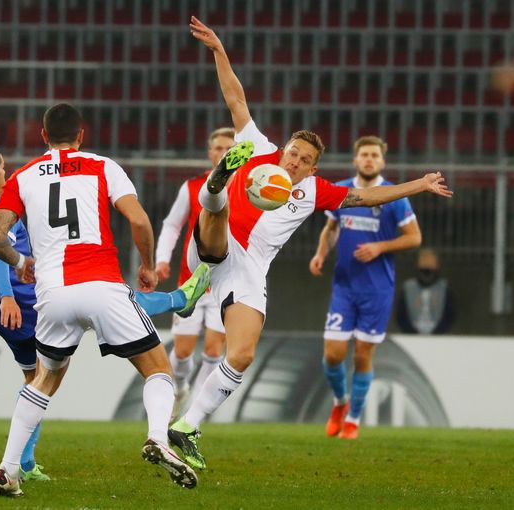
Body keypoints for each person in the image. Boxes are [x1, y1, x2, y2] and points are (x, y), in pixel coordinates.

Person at [166, 16, 453, 471]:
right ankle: (212, 207)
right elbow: (235, 96)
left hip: (249, 269)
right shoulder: (257, 146)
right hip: (215, 242)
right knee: (215, 207)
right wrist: (220, 51)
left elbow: (367, 195)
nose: (295, 162)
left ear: (313, 169)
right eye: (293, 154)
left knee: (240, 354)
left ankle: (187, 425)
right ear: (283, 151)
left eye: (304, 161)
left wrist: (416, 185)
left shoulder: (317, 192)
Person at [0, 143, 211, 483]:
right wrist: (9, 290)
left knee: (40, 382)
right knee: (151, 356)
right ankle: (158, 435)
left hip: (27, 309)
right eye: (1, 168)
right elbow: (137, 218)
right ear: (80, 135)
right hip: (46, 297)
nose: (5, 172)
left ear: (45, 135)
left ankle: (12, 468)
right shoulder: (97, 166)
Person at [308, 135, 422, 440]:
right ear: (356, 160)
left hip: (377, 289)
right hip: (344, 287)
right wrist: (321, 254)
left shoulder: (394, 195)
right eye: (364, 155)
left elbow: (414, 237)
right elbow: (331, 227)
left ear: (382, 161)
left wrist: (380, 247)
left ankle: (354, 420)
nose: (369, 159)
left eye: (375, 155)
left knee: (362, 356)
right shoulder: (342, 190)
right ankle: (340, 403)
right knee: (332, 355)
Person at [156, 127, 234, 418]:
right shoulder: (192, 187)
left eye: (229, 148)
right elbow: (172, 224)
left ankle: (193, 418)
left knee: (214, 350)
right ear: (209, 151)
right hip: (191, 281)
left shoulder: (246, 189)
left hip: (226, 282)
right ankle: (180, 388)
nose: (223, 153)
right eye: (218, 148)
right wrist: (162, 258)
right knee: (184, 351)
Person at [396, 248, 455, 334]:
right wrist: (412, 333)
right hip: (411, 337)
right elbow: (400, 316)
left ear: (437, 264)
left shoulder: (445, 289)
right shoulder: (407, 288)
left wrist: (437, 334)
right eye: (423, 260)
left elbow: (450, 315)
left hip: (439, 338)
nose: (426, 264)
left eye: (430, 261)